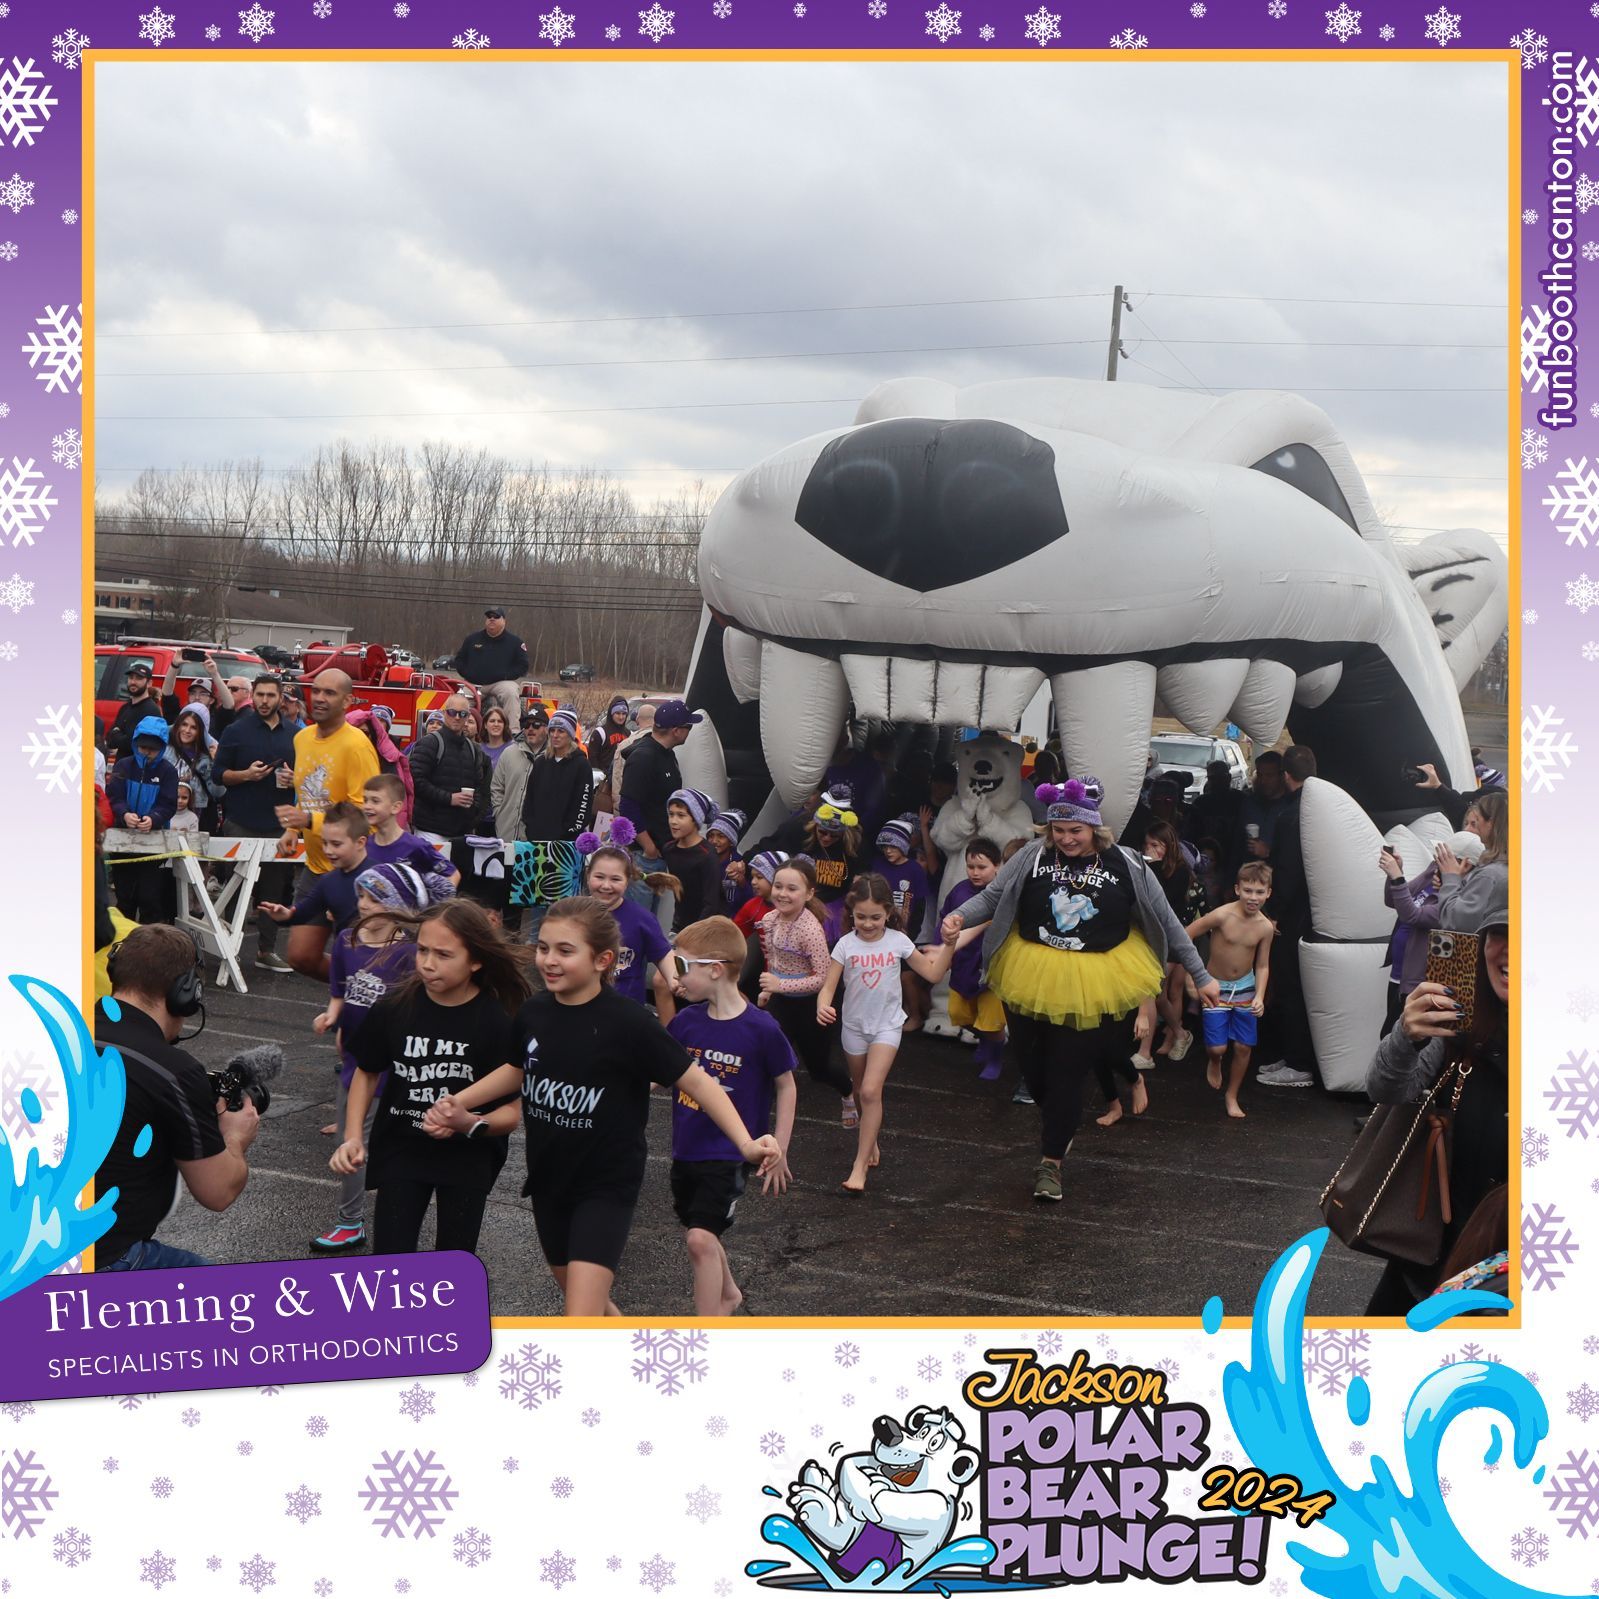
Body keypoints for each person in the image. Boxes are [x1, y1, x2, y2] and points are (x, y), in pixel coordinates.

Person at [425, 896, 781, 1316]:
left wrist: (745, 1143)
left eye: (565, 950)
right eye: (544, 948)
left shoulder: (630, 1023)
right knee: (590, 1307)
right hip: (548, 1181)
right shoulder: (534, 1013)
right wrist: (458, 1101)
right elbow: (516, 1069)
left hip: (605, 1185)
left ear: (602, 960)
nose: (549, 960)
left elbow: (700, 1082)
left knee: (580, 1318)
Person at [941, 777, 1220, 1203]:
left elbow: (1167, 921)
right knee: (1034, 1073)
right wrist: (959, 916)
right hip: (1030, 972)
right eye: (1059, 830)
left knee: (1067, 1073)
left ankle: (1051, 1161)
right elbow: (994, 896)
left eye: (1076, 830)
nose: (1067, 838)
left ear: (1094, 828)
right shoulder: (1032, 856)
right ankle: (1059, 1124)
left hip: (1095, 978)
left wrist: (1201, 975)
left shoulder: (1128, 864)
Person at [331, 900, 529, 1255]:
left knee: (454, 1261)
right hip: (402, 1147)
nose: (427, 963)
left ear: (476, 960)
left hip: (468, 1158)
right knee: (391, 1259)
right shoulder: (394, 1007)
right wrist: (353, 1137)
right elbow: (367, 1071)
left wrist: (468, 1122)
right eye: (422, 950)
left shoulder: (497, 1021)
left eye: (443, 954)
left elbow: (511, 1114)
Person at [1362, 890, 1509, 1314]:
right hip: (1428, 1263)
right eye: (1499, 934)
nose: (1510, 951)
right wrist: (1406, 1036)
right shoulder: (1459, 1019)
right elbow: (1384, 1089)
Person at [94, 925, 260, 1268]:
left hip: (27, 1247)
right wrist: (235, 1137)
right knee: (237, 1294)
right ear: (187, 993)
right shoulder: (174, 1072)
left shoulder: (63, 1030)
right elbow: (218, 1192)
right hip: (104, 1255)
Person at [310, 862, 454, 1252]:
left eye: (375, 898)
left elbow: (421, 1004)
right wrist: (334, 1018)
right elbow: (341, 989)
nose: (364, 904)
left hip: (396, 1061)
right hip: (357, 1057)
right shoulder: (346, 939)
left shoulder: (410, 952)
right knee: (349, 1138)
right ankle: (351, 1221)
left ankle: (363, 1218)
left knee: (382, 1142)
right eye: (361, 895)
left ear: (399, 906)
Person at [667, 915, 796, 1314]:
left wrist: (780, 1148)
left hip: (729, 1155)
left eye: (682, 965)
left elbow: (787, 1085)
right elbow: (658, 1072)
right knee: (702, 1233)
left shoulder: (761, 1028)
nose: (676, 976)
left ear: (715, 969)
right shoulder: (685, 1022)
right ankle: (729, 1294)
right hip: (686, 1149)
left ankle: (706, 1332)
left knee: (700, 1240)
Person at [817, 874, 957, 1193]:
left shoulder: (898, 941)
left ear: (888, 913)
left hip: (886, 1026)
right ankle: (871, 1140)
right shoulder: (845, 945)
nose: (868, 924)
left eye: (875, 917)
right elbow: (827, 988)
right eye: (861, 917)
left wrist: (949, 945)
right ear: (851, 912)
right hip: (854, 1027)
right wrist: (822, 1006)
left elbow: (933, 973)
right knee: (859, 1090)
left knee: (870, 1091)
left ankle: (859, 1166)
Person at [275, 669, 382, 913]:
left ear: (347, 701)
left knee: (349, 938)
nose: (320, 698)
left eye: (330, 693)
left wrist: (309, 820)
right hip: (313, 868)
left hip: (351, 872)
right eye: (316, 691)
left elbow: (365, 816)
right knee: (299, 938)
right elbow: (308, 793)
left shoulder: (357, 746)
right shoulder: (302, 738)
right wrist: (293, 830)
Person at [213, 674, 299, 972]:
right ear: (253, 695)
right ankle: (230, 949)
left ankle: (266, 951)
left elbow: (309, 777)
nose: (264, 701)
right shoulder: (236, 730)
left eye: (270, 695)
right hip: (241, 820)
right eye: (260, 695)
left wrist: (295, 779)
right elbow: (218, 775)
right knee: (235, 889)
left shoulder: (295, 735)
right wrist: (245, 775)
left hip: (278, 824)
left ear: (280, 699)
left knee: (273, 891)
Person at [757, 857, 856, 1106]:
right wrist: (769, 990)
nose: (783, 894)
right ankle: (758, 1112)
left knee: (819, 1069)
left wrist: (780, 985)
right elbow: (773, 957)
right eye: (778, 886)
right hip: (781, 1001)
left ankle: (848, 1091)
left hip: (812, 1005)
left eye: (792, 889)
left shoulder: (810, 929)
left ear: (809, 893)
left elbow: (822, 978)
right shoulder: (769, 920)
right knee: (768, 1058)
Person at [1183, 862, 1275, 1119]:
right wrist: (1193, 976)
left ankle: (1232, 1095)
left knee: (1244, 1047)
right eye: (1248, 890)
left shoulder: (1265, 927)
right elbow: (1186, 935)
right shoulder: (1222, 915)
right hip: (1215, 987)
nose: (1253, 897)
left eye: (1259, 892)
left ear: (1268, 893)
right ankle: (1214, 1061)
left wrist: (1259, 995)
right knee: (1218, 1049)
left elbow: (1263, 965)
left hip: (1245, 988)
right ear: (1237, 889)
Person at [1255, 744, 1317, 1088]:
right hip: (1314, 911)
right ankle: (1294, 1055)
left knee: (1291, 986)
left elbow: (1288, 871)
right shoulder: (1319, 808)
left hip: (1293, 916)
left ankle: (1298, 1063)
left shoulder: (1292, 816)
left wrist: (1274, 913)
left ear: (1286, 776)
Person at [259, 801, 375, 977]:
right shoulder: (329, 881)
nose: (328, 850)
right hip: (348, 969)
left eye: (336, 844)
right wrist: (286, 915)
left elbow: (401, 920)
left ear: (360, 842)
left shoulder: (379, 876)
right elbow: (306, 909)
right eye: (324, 843)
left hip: (381, 966)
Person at [1380, 833, 1480, 1035]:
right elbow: (1393, 900)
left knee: (1397, 1037)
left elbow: (1412, 915)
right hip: (1399, 975)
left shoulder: (1459, 900)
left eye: (1442, 858)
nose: (1436, 862)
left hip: (1418, 983)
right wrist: (1395, 873)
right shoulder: (1432, 873)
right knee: (1389, 1036)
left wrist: (1397, 877)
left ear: (1465, 865)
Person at [579, 833, 679, 1020]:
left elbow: (664, 955)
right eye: (599, 877)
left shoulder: (642, 919)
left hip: (626, 1014)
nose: (606, 886)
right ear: (588, 875)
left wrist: (674, 978)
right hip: (579, 1009)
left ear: (628, 880)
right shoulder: (573, 915)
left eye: (615, 879)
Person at [938, 838, 1010, 1087]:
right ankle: (988, 1041)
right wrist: (943, 953)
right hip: (963, 964)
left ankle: (995, 1057)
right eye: (971, 867)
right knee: (959, 1014)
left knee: (991, 1022)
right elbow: (944, 921)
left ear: (997, 866)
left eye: (982, 867)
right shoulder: (959, 891)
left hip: (992, 971)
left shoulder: (1004, 895)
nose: (975, 872)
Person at [107, 715, 179, 925]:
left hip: (153, 844)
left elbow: (168, 804)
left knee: (150, 898)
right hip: (122, 841)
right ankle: (123, 939)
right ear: (135, 744)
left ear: (162, 748)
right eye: (143, 747)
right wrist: (124, 814)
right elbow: (114, 796)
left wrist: (154, 818)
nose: (146, 752)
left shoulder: (168, 771)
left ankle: (149, 940)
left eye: (152, 749)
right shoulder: (123, 766)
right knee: (124, 898)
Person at [1141, 821, 1199, 1066]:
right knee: (1159, 993)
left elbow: (1163, 901)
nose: (1150, 849)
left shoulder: (1180, 871)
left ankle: (1158, 1044)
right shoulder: (1146, 867)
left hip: (1175, 936)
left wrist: (1152, 866)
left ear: (1168, 845)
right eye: (1147, 844)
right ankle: (1179, 1033)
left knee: (1158, 989)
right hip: (1154, 936)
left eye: (1156, 844)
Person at [618, 699, 700, 870]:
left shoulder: (666, 753)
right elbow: (627, 806)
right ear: (676, 731)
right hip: (645, 856)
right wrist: (649, 847)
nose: (690, 731)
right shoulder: (643, 758)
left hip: (664, 849)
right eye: (689, 727)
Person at [409, 692, 491, 841]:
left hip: (462, 832)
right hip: (430, 830)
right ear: (444, 713)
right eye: (452, 712)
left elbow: (480, 786)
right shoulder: (429, 743)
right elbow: (416, 781)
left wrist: (473, 814)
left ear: (467, 716)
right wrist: (449, 798)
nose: (457, 717)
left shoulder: (472, 749)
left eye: (462, 714)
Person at [360, 773, 458, 879]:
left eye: (375, 801)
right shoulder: (363, 846)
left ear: (396, 807)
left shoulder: (416, 846)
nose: (367, 806)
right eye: (365, 800)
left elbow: (453, 874)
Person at [1438, 790, 1509, 932]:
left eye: (1476, 821)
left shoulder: (1490, 875)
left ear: (1491, 823)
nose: (1468, 829)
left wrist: (1450, 878)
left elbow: (1455, 921)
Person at [805, 786, 866, 942]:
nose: (827, 838)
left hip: (836, 909)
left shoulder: (853, 847)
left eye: (834, 835)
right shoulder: (802, 836)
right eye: (822, 832)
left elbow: (862, 874)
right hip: (808, 904)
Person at [660, 788, 725, 934]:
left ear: (695, 819)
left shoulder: (707, 855)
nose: (673, 821)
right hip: (680, 925)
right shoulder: (669, 849)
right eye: (671, 814)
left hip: (706, 929)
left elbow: (711, 903)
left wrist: (694, 934)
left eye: (681, 815)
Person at [453, 606, 529, 727]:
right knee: (457, 701)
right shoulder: (472, 639)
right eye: (489, 616)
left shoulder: (515, 642)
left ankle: (513, 731)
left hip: (500, 683)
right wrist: (468, 674)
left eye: (496, 616)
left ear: (504, 621)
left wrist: (506, 675)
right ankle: (454, 731)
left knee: (511, 692)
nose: (492, 619)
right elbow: (459, 660)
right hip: (473, 684)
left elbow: (523, 665)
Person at [491, 706, 550, 844]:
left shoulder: (553, 757)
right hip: (506, 833)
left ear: (547, 729)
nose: (530, 729)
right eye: (526, 724)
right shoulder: (508, 753)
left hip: (537, 839)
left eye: (536, 725)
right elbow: (496, 787)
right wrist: (499, 813)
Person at [105, 659, 180, 761]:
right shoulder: (125, 708)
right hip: (120, 766)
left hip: (139, 767)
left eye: (139, 678)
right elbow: (110, 739)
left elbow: (135, 744)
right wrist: (120, 737)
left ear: (149, 683)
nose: (133, 682)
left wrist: (117, 734)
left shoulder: (151, 711)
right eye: (131, 678)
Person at [167, 705, 219, 833]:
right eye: (184, 724)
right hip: (167, 811)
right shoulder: (164, 750)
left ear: (201, 731)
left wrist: (217, 763)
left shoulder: (206, 757)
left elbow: (218, 792)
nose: (187, 730)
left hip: (197, 815)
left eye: (194, 727)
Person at [706, 808, 752, 914]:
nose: (714, 841)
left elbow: (751, 901)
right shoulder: (703, 861)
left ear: (731, 841)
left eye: (721, 836)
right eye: (711, 836)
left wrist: (742, 882)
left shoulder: (742, 864)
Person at [477, 704, 513, 834]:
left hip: (505, 816)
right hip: (481, 816)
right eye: (492, 721)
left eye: (500, 721)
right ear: (485, 725)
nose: (496, 724)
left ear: (505, 725)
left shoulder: (513, 749)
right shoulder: (478, 749)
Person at [588, 696, 633, 771]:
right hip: (603, 775)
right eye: (617, 713)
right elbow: (592, 758)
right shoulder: (600, 732)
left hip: (622, 776)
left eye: (624, 714)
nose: (621, 717)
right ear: (611, 714)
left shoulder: (629, 734)